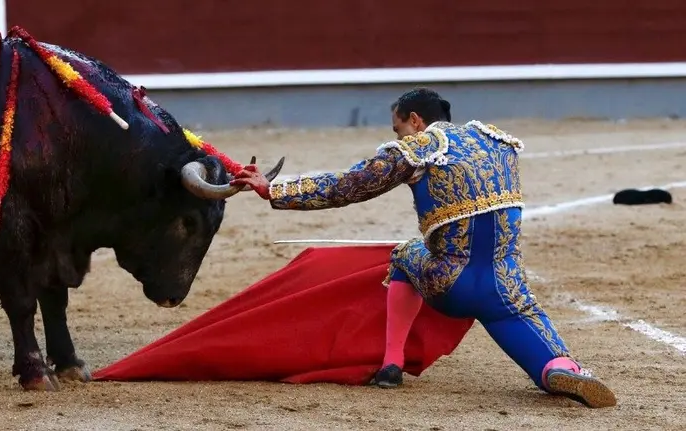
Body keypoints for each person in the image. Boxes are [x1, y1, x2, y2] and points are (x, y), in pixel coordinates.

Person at [229, 88, 617, 408]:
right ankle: (561, 368)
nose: (399, 137)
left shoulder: (418, 148)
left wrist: (273, 189)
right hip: (506, 284)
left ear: (415, 120)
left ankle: (391, 363)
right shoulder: (496, 141)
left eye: (399, 129)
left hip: (450, 280)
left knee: (405, 253)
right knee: (538, 343)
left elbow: (349, 185)